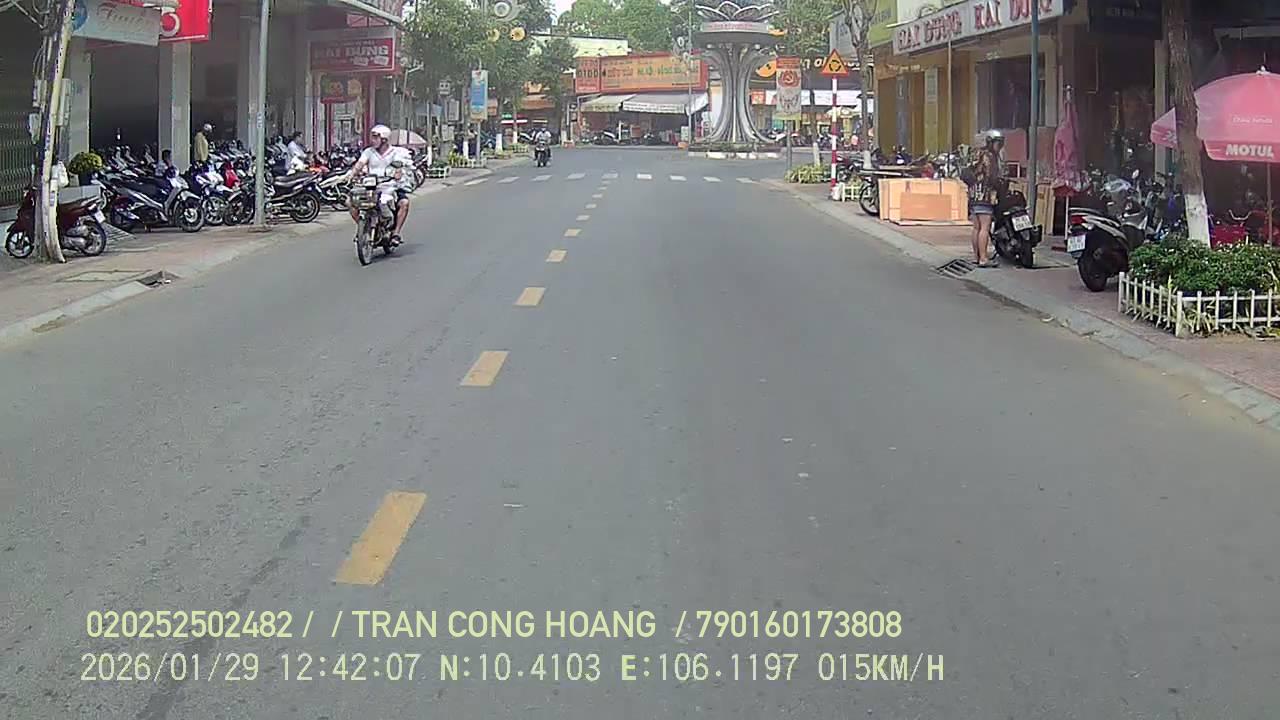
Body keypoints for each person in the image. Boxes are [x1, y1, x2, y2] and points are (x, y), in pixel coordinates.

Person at [349, 124, 412, 246]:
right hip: (370, 185)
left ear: (384, 139)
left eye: (375, 137)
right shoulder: (368, 151)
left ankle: (396, 233)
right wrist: (352, 175)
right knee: (350, 202)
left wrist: (397, 173)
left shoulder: (395, 152)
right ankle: (364, 229)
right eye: (372, 137)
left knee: (404, 203)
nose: (372, 140)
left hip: (389, 185)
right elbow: (360, 164)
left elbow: (399, 165)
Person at [967, 130, 1005, 268]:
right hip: (985, 195)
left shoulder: (977, 154)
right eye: (998, 143)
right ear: (990, 142)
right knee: (984, 227)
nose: (999, 146)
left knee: (976, 228)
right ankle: (983, 258)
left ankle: (976, 257)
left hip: (973, 195)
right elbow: (992, 177)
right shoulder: (989, 156)